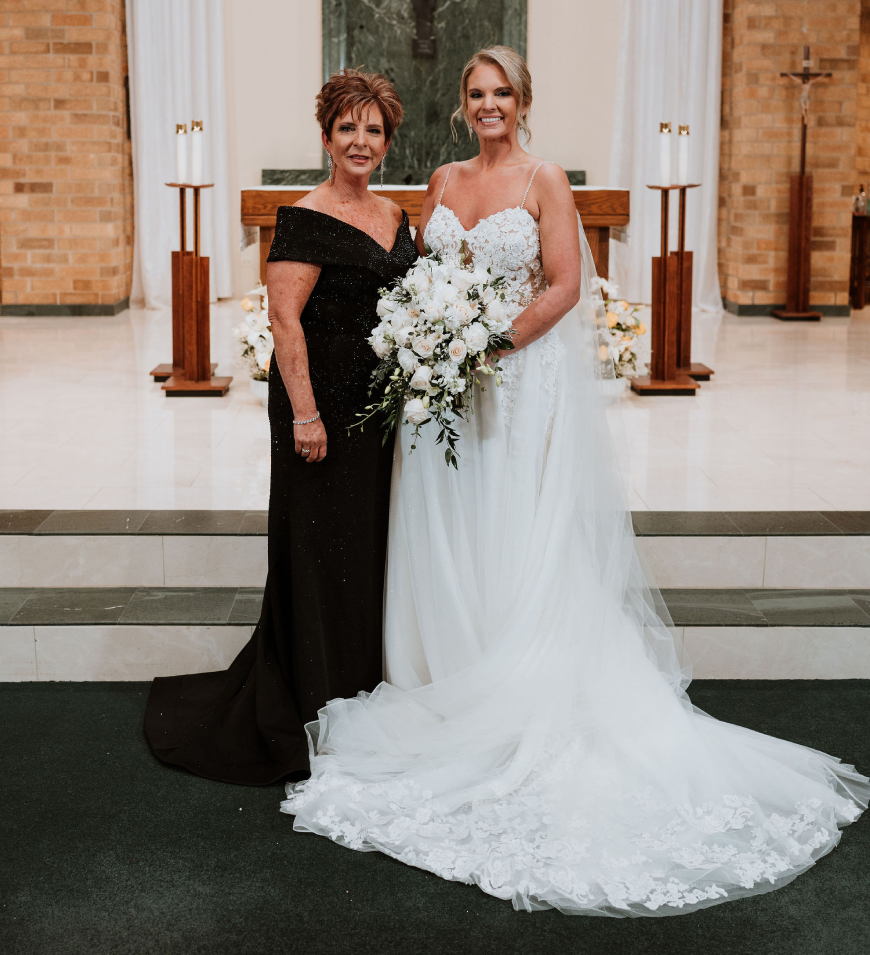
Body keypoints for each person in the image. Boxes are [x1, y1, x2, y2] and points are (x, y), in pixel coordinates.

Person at [281, 47, 868, 916]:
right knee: (448, 525)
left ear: (522, 101)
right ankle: (449, 674)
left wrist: (485, 344)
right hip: (444, 397)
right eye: (476, 94)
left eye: (502, 94)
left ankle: (513, 691)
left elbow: (565, 285)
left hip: (514, 389)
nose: (489, 106)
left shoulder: (544, 178)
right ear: (461, 106)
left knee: (514, 530)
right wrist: (432, 347)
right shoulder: (438, 182)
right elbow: (411, 285)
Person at [144, 69, 417, 785]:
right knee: (320, 548)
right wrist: (305, 412)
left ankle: (359, 686)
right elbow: (283, 318)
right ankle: (313, 693)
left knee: (366, 546)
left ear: (387, 142)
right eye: (348, 128)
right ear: (326, 135)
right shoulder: (302, 215)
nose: (361, 141)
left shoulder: (395, 215)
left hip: (376, 410)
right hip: (316, 408)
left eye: (374, 130)